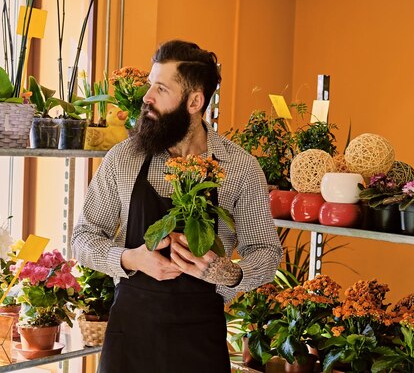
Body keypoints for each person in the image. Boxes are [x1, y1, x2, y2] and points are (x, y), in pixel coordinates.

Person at [72, 39, 281, 373]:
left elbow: (267, 252)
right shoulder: (124, 159)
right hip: (131, 339)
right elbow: (82, 237)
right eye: (149, 86)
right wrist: (129, 258)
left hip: (200, 341)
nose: (146, 98)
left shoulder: (240, 167)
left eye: (161, 89)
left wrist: (233, 273)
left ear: (194, 101)